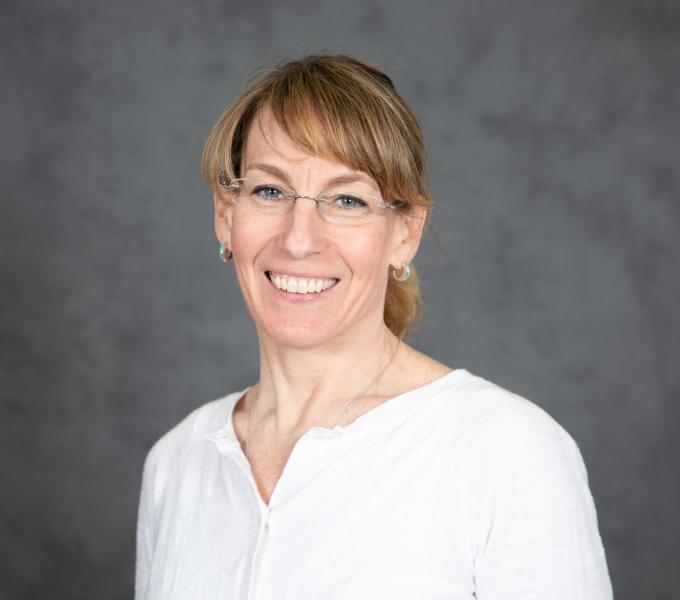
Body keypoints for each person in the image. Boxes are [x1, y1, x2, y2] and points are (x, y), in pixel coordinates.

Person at [135, 54, 613, 599]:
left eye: (347, 200)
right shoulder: (178, 462)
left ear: (405, 234)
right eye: (270, 190)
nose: (299, 239)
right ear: (226, 214)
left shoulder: (505, 451)